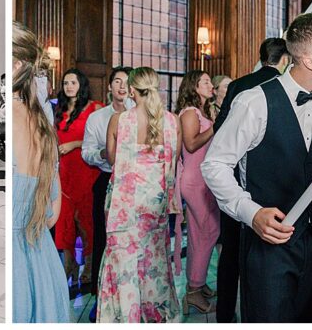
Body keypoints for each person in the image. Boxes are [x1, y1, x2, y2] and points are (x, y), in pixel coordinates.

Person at [202, 14, 312, 323]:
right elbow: (215, 164)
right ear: (309, 60)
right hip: (266, 243)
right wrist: (251, 212)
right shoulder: (254, 102)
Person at [210, 37, 289, 322]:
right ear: (285, 59)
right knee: (266, 252)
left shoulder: (237, 85)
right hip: (271, 184)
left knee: (230, 251)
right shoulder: (282, 88)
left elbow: (220, 130)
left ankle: (224, 315)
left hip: (233, 180)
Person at [98, 67, 181, 322]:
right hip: (154, 205)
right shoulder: (171, 121)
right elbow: (173, 163)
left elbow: (113, 159)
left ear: (132, 90)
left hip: (124, 206)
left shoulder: (119, 120)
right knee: (153, 266)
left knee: (124, 267)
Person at [12, 22, 70, 322]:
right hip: (39, 255)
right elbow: (51, 213)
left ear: (16, 64)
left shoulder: (14, 113)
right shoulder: (40, 115)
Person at [81, 66, 134, 320]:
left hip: (136, 182)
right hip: (107, 178)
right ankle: (101, 298)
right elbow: (87, 152)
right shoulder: (98, 118)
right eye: (117, 81)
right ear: (110, 86)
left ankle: (132, 297)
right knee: (104, 240)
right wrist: (105, 152)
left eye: (127, 82)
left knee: (133, 242)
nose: (122, 87)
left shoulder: (142, 115)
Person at [54, 68, 104, 288]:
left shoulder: (95, 109)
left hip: (86, 170)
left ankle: (90, 265)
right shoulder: (59, 109)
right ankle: (70, 263)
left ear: (81, 84)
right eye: (65, 83)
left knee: (85, 220)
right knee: (65, 220)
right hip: (64, 171)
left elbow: (103, 143)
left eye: (73, 82)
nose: (69, 86)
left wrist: (74, 144)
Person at [175, 70, 219, 313]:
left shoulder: (202, 111)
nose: (210, 84)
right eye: (205, 81)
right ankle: (193, 290)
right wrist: (216, 127)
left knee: (199, 232)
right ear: (193, 86)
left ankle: (198, 284)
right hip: (194, 180)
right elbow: (191, 144)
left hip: (203, 178)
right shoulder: (190, 113)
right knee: (207, 231)